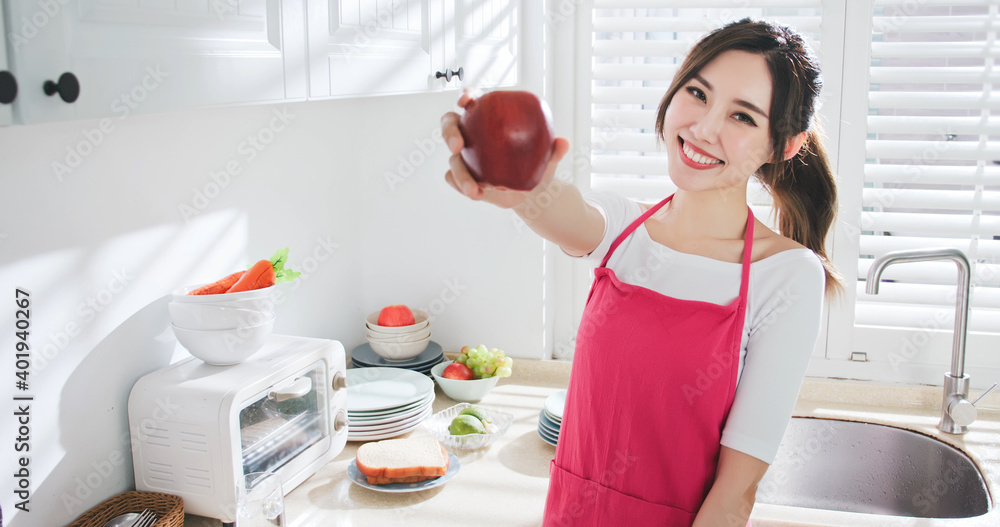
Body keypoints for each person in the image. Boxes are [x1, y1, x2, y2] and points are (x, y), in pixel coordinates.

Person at [440, 18, 840, 527]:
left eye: (742, 117)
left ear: (784, 146)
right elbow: (559, 209)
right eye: (698, 93)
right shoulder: (625, 232)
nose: (703, 128)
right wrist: (514, 176)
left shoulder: (785, 275)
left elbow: (734, 495)